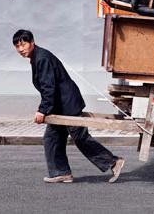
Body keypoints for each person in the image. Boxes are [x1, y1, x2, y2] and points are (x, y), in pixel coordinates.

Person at [13, 29, 125, 184]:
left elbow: (48, 87)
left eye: (23, 44)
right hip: (60, 105)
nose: (21, 49)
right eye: (17, 46)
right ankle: (61, 172)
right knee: (51, 138)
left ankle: (113, 162)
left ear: (32, 42)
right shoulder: (37, 57)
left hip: (67, 104)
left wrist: (42, 110)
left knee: (80, 137)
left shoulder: (42, 58)